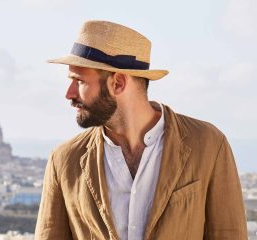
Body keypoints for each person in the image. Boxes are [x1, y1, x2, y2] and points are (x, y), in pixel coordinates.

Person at [35, 20, 247, 240]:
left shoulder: (208, 144)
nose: (69, 94)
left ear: (117, 83)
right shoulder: (64, 160)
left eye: (78, 81)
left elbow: (229, 234)